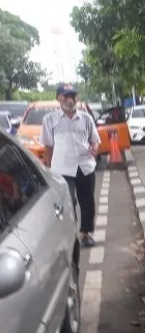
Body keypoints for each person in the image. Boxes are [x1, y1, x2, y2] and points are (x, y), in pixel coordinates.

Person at [40, 83, 101, 247]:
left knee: (87, 200)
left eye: (72, 96)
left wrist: (94, 149)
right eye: (65, 96)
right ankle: (71, 235)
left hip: (85, 165)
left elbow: (95, 141)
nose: (69, 99)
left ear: (77, 98)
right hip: (62, 167)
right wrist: (48, 169)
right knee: (68, 201)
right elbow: (48, 147)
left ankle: (85, 234)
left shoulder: (86, 118)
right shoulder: (50, 120)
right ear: (58, 98)